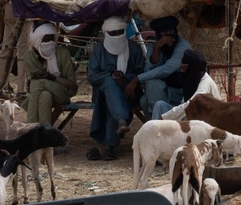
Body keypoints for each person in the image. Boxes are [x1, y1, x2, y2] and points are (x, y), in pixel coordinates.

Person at [88, 17, 146, 161]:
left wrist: (126, 79)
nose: (116, 35)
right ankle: (119, 123)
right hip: (101, 93)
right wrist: (112, 76)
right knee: (109, 83)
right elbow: (92, 76)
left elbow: (141, 72)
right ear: (106, 33)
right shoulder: (99, 50)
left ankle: (109, 147)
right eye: (112, 33)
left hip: (130, 92)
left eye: (119, 32)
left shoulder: (133, 48)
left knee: (111, 100)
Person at [126, 16, 190, 116]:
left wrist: (137, 79)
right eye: (164, 31)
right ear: (158, 33)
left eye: (171, 30)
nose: (168, 33)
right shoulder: (155, 46)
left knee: (152, 85)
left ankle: (158, 125)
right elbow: (148, 69)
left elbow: (166, 70)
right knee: (143, 101)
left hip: (180, 93)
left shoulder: (183, 46)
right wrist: (157, 48)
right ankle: (158, 123)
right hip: (163, 90)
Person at [23, 23, 77, 125]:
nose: (50, 43)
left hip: (62, 94)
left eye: (52, 39)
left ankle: (30, 126)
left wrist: (52, 78)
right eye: (46, 40)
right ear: (37, 41)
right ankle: (45, 132)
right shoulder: (29, 57)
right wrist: (34, 76)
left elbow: (72, 84)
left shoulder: (63, 53)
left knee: (39, 83)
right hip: (40, 94)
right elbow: (32, 82)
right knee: (45, 95)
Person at [158, 50, 220, 120]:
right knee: (160, 105)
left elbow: (191, 104)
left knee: (185, 117)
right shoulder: (191, 80)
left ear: (190, 68)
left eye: (183, 66)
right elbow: (183, 104)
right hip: (195, 115)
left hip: (209, 121)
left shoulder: (205, 82)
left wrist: (164, 117)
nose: (181, 68)